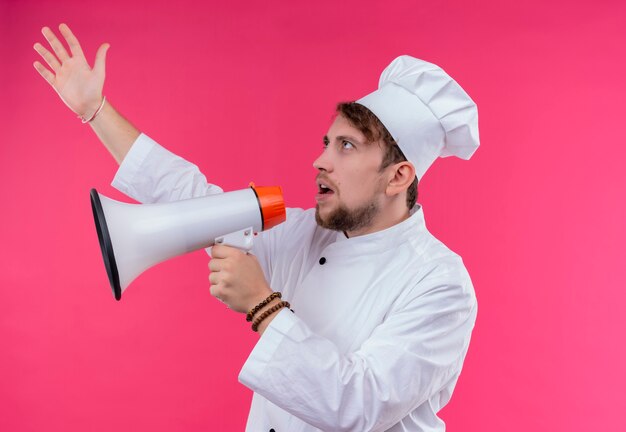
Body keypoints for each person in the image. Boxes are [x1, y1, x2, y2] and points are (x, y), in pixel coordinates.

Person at [34, 23, 480, 432]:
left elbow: (359, 404)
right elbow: (192, 199)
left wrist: (262, 305)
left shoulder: (440, 283)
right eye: (327, 142)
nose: (320, 161)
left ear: (398, 177)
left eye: (347, 147)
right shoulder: (302, 233)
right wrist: (95, 111)